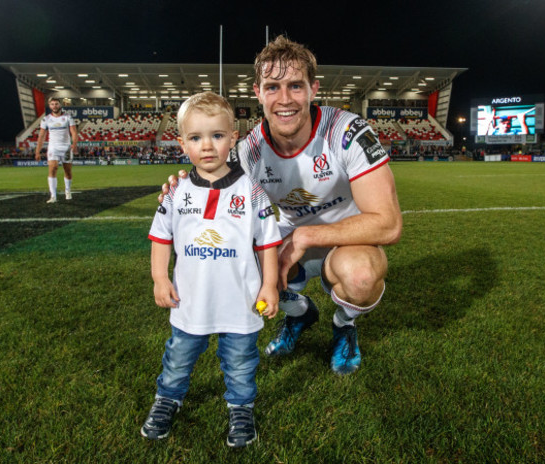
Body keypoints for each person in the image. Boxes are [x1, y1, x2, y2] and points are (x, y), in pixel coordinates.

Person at [160, 36, 403, 376]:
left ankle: (343, 325)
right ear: (258, 92)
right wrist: (179, 191)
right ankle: (299, 314)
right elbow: (210, 197)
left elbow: (389, 224)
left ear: (313, 88)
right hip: (287, 244)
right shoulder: (247, 151)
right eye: (273, 87)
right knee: (237, 266)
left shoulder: (346, 132)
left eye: (295, 86)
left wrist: (305, 236)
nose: (285, 99)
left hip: (346, 241)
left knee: (361, 277)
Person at [141, 92, 281, 447]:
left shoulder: (251, 192)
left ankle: (241, 408)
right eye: (195, 137)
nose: (207, 146)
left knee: (241, 363)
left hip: (241, 302)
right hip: (190, 302)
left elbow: (267, 243)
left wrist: (270, 285)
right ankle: (167, 400)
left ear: (233, 138)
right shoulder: (176, 192)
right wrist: (159, 277)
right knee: (177, 358)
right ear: (181, 143)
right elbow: (161, 237)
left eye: (217, 136)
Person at [35, 97, 78, 203]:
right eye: (52, 104)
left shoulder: (68, 117)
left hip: (66, 147)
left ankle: (67, 191)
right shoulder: (46, 119)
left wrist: (74, 145)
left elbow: (74, 132)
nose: (54, 106)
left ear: (60, 105)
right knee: (53, 168)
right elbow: (41, 136)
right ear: (50, 106)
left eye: (56, 104)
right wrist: (37, 151)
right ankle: (53, 196)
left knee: (67, 171)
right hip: (53, 147)